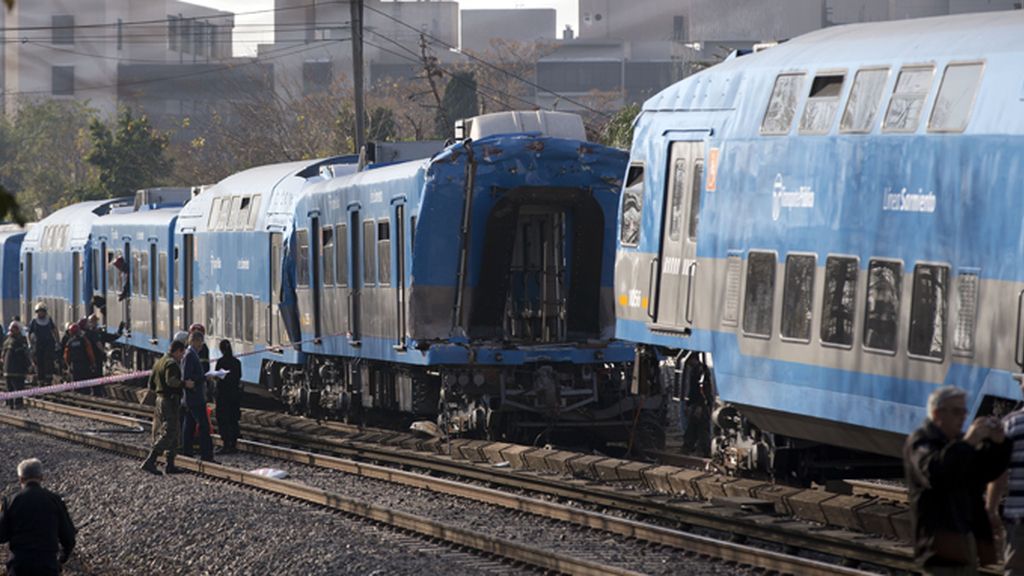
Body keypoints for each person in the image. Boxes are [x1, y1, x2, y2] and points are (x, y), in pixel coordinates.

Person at [904, 386, 1011, 574]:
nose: (963, 417)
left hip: (964, 542)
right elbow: (936, 472)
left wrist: (997, 444)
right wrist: (969, 442)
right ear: (937, 413)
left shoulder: (958, 444)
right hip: (939, 544)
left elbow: (985, 472)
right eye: (956, 411)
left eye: (964, 411)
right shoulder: (921, 441)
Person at [0, 458, 77, 576]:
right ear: (41, 477)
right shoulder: (55, 500)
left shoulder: (10, 501)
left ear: (20, 479)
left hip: (19, 565)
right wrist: (62, 558)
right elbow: (69, 537)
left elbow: (1, 535)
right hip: (47, 565)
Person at [140, 340, 193, 475]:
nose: (182, 357)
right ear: (178, 351)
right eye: (182, 354)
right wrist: (184, 384)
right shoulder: (171, 364)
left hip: (160, 400)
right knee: (169, 432)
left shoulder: (159, 362)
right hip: (169, 401)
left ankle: (170, 464)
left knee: (175, 433)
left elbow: (151, 384)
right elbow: (171, 381)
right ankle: (150, 460)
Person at [181, 331, 215, 462]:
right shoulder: (190, 355)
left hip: (191, 398)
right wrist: (204, 377)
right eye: (200, 342)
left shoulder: (191, 354)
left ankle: (187, 453)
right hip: (194, 397)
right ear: (194, 341)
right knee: (204, 426)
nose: (202, 345)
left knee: (189, 426)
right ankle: (207, 455)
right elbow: (187, 377)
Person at [214, 339, 243, 455]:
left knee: (223, 419)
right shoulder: (237, 362)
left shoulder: (220, 362)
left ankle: (226, 445)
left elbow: (218, 376)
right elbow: (239, 376)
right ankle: (234, 444)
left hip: (223, 395)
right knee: (234, 419)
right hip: (235, 395)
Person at [28, 303, 59, 387]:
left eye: (42, 311)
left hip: (48, 344)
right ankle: (40, 379)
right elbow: (30, 333)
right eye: (39, 312)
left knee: (48, 361)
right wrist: (30, 344)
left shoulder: (49, 320)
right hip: (38, 345)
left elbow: (54, 330)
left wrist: (57, 342)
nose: (41, 313)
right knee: (39, 362)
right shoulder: (34, 321)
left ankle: (48, 379)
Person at [84, 314, 123, 379]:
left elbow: (111, 337)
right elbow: (100, 343)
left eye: (95, 322)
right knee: (96, 375)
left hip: (91, 358)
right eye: (94, 322)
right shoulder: (95, 333)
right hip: (95, 357)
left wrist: (119, 331)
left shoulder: (89, 333)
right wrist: (103, 352)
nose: (95, 323)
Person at [2, 321, 30, 409]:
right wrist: (28, 366)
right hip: (18, 371)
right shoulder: (18, 343)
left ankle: (10, 404)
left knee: (9, 388)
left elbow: (2, 356)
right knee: (18, 388)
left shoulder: (6, 342)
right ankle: (18, 404)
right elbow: (22, 356)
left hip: (7, 370)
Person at [63, 324, 96, 388]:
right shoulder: (84, 340)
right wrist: (93, 363)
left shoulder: (69, 342)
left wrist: (68, 365)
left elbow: (66, 355)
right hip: (85, 365)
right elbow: (90, 353)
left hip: (74, 366)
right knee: (85, 385)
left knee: (76, 385)